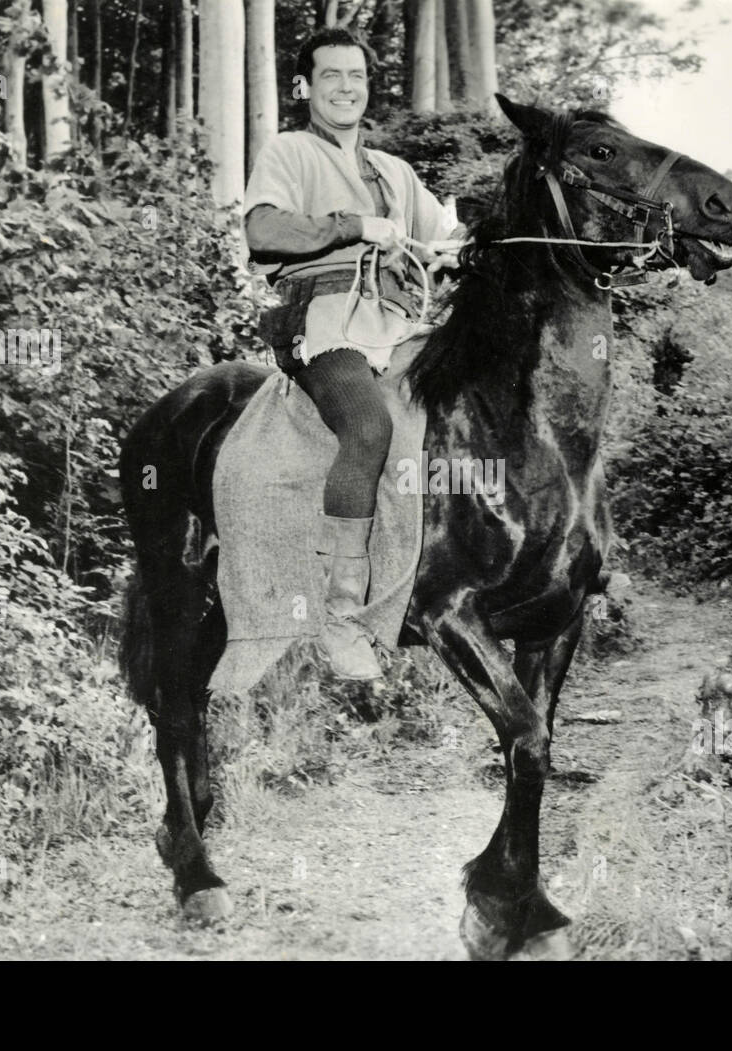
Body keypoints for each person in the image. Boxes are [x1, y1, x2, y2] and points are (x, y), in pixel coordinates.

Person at [244, 27, 461, 682]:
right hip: (323, 325)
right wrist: (353, 225)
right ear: (305, 86)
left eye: (357, 76)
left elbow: (445, 237)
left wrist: (466, 247)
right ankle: (338, 618)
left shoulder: (396, 171)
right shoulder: (287, 152)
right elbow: (262, 230)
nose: (346, 88)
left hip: (397, 326)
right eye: (332, 75)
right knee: (369, 425)